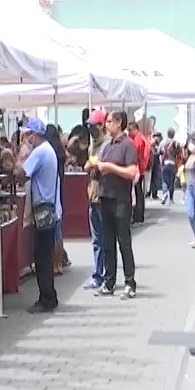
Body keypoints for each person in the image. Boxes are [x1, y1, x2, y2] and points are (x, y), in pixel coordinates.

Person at [15, 118, 60, 314]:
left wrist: (17, 159)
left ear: (35, 134)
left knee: (42, 256)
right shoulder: (48, 149)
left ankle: (46, 298)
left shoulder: (40, 152)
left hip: (43, 208)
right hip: (49, 207)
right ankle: (50, 295)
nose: (27, 138)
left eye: (28, 135)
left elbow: (21, 173)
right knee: (45, 254)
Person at [91, 111, 138, 300]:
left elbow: (132, 172)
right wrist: (94, 168)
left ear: (119, 123)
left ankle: (130, 282)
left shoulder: (128, 145)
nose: (106, 125)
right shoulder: (106, 146)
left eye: (109, 122)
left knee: (124, 242)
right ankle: (109, 282)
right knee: (107, 242)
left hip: (121, 201)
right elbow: (100, 169)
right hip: (105, 198)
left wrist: (110, 168)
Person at [82, 109, 108, 289]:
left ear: (101, 125)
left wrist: (94, 165)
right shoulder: (93, 145)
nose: (91, 129)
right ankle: (98, 274)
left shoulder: (107, 144)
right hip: (93, 196)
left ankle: (106, 274)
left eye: (93, 125)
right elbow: (88, 166)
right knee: (96, 239)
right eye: (89, 126)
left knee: (104, 239)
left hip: (104, 197)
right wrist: (91, 165)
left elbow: (101, 168)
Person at [45, 124, 67, 275]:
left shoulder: (49, 153)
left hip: (51, 191)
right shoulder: (60, 152)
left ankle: (54, 264)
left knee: (54, 232)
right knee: (59, 231)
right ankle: (59, 263)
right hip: (60, 189)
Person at [127, 122, 149, 223]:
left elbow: (135, 151)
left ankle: (138, 215)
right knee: (138, 192)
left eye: (130, 130)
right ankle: (138, 215)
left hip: (138, 168)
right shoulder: (141, 138)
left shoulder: (138, 139)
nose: (129, 132)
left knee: (137, 192)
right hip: (141, 168)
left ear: (135, 129)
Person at [184, 137, 195, 244]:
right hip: (189, 186)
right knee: (190, 214)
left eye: (192, 144)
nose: (191, 146)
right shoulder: (189, 156)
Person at [159, 128, 180, 204]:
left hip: (165, 163)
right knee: (171, 181)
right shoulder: (175, 143)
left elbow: (159, 151)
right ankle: (171, 198)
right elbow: (178, 153)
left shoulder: (163, 142)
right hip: (173, 164)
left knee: (164, 180)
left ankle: (164, 194)